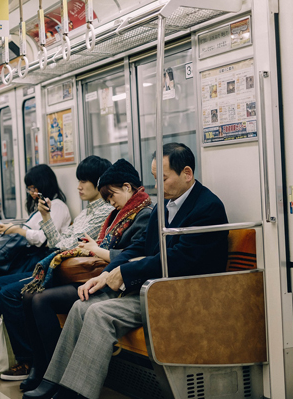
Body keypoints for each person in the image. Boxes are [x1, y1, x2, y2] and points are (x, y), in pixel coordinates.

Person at [23, 143, 229, 399]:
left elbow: (178, 260)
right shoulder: (165, 206)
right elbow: (141, 246)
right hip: (153, 288)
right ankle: (55, 382)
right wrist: (106, 273)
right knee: (80, 306)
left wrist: (126, 273)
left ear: (187, 173)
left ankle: (75, 394)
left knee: (99, 313)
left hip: (181, 294)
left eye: (163, 178)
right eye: (156, 179)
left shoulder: (207, 208)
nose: (158, 186)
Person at [19, 158, 152, 392]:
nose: (111, 202)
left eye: (112, 196)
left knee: (51, 301)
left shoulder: (140, 214)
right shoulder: (115, 215)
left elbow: (132, 253)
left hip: (117, 280)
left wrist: (96, 250)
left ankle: (62, 382)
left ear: (127, 188)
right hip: (101, 274)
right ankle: (50, 375)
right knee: (30, 296)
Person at [0, 156, 113, 381]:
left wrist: (41, 224)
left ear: (99, 182)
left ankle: (31, 361)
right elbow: (58, 242)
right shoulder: (86, 211)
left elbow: (62, 244)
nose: (78, 186)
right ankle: (6, 356)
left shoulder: (102, 212)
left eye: (84, 181)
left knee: (11, 294)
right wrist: (46, 216)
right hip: (54, 264)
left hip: (65, 269)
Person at [0, 164, 71, 319]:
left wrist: (15, 229)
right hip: (27, 256)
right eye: (29, 189)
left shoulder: (58, 206)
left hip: (39, 258)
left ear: (43, 185)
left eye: (33, 188)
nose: (31, 192)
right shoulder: (38, 208)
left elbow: (42, 238)